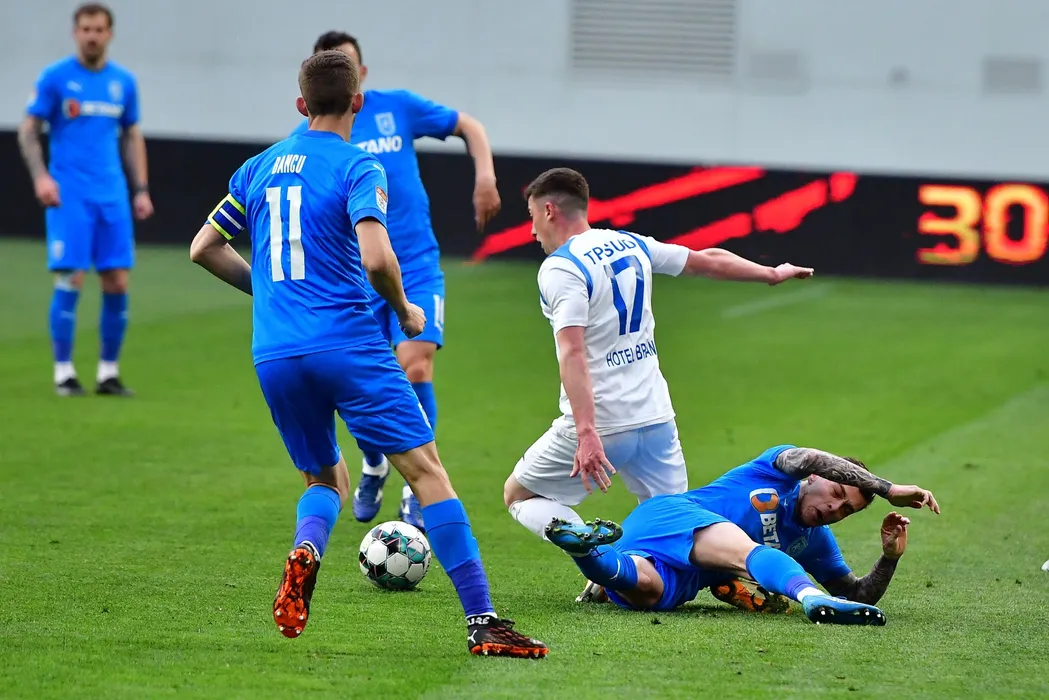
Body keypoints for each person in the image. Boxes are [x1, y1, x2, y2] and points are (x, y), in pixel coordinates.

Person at [189, 50, 547, 658]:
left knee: (324, 476)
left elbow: (203, 247)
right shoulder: (358, 165)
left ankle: (307, 550)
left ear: (300, 104)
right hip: (348, 343)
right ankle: (483, 622)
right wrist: (405, 311)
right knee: (427, 472)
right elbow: (378, 258)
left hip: (275, 353)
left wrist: (269, 291)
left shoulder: (256, 168)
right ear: (357, 101)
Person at [503, 168, 813, 567]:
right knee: (674, 527)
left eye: (531, 217)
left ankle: (596, 554)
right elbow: (706, 261)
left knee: (519, 495)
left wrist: (586, 432)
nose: (532, 231)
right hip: (656, 419)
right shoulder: (629, 244)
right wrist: (770, 273)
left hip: (605, 423)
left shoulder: (561, 268)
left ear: (549, 211)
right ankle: (737, 572)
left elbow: (572, 352)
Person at [291, 32, 500, 530]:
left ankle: (416, 489)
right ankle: (373, 463)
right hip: (353, 273)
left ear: (361, 75)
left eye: (348, 64)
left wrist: (485, 176)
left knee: (416, 365)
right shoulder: (315, 136)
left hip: (416, 263)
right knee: (358, 383)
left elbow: (468, 125)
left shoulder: (397, 108)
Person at [545, 444, 940, 625]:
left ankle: (588, 552)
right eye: (837, 493)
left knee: (647, 592)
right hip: (672, 517)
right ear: (815, 478)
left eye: (846, 511)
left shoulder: (815, 541)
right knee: (743, 551)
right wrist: (887, 489)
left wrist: (889, 557)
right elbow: (811, 456)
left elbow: (855, 595)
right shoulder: (775, 470)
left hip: (680, 571)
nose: (835, 509)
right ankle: (810, 597)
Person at [18, 2, 154, 397]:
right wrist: (41, 178)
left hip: (111, 194)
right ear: (75, 32)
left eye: (98, 29)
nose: (92, 36)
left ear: (109, 34)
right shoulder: (55, 78)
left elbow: (132, 135)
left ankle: (108, 373)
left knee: (117, 280)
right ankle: (64, 372)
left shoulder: (123, 82)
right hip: (70, 195)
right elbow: (28, 130)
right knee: (71, 276)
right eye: (85, 29)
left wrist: (141, 189)